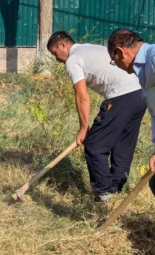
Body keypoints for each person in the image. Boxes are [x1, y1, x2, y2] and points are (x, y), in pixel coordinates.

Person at [47, 31, 146, 202]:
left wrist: (84, 128)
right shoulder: (87, 48)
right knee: (123, 144)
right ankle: (116, 190)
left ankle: (104, 192)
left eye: (55, 53)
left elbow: (82, 96)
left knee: (94, 145)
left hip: (121, 94)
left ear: (63, 45)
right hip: (139, 93)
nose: (56, 59)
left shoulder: (73, 60)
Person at [107, 28, 155, 195]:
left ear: (119, 51)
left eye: (114, 61)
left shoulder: (154, 58)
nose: (118, 66)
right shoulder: (143, 72)